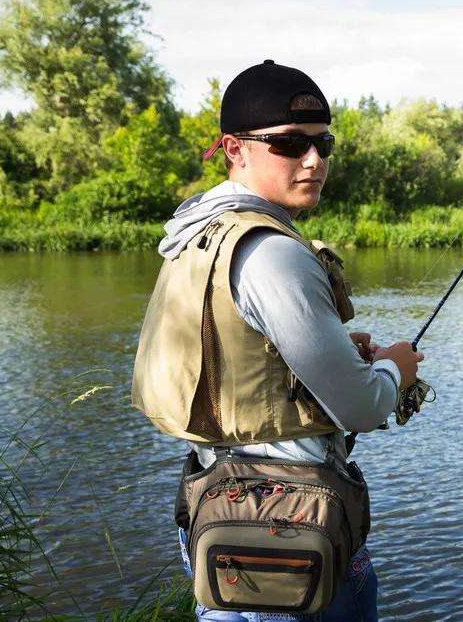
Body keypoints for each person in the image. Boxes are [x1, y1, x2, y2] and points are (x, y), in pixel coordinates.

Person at [132, 59, 423, 621]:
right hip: (288, 535)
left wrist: (336, 352)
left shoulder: (198, 231)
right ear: (234, 148)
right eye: (289, 144)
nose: (314, 160)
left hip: (217, 512)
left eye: (323, 142)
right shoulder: (272, 252)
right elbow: (362, 407)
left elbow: (236, 355)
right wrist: (394, 369)